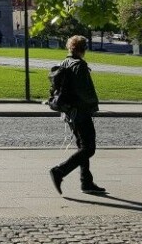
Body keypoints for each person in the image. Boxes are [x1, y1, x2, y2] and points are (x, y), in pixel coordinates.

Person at [49, 35, 106, 195]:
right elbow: (83, 91)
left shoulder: (64, 62)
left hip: (69, 112)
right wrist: (93, 103)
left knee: (83, 147)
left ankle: (86, 182)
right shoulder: (79, 65)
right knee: (89, 148)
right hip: (81, 111)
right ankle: (60, 171)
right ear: (83, 49)